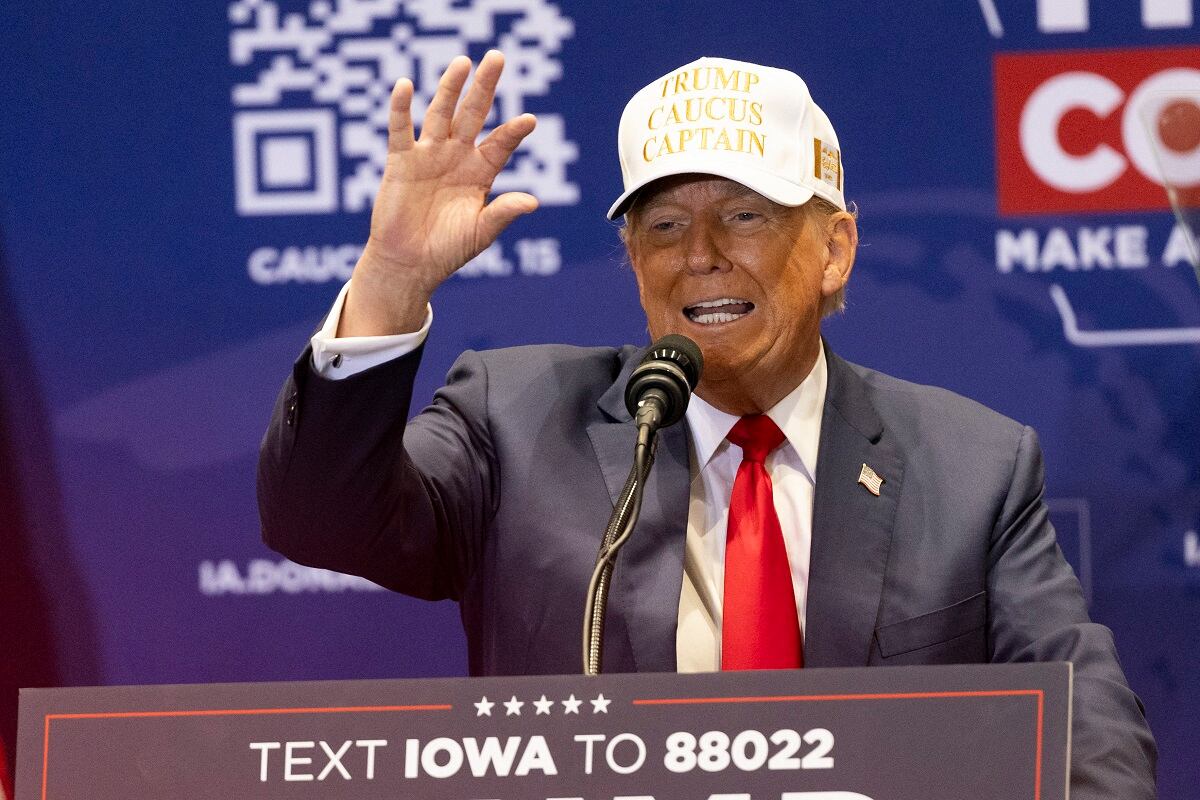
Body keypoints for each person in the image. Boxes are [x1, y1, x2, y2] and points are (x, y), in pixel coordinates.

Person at [257, 52, 1157, 797]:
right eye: (662, 223)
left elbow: (1088, 730)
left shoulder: (973, 468)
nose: (699, 256)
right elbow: (320, 519)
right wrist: (389, 279)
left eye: (744, 215)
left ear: (834, 250)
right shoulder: (518, 415)